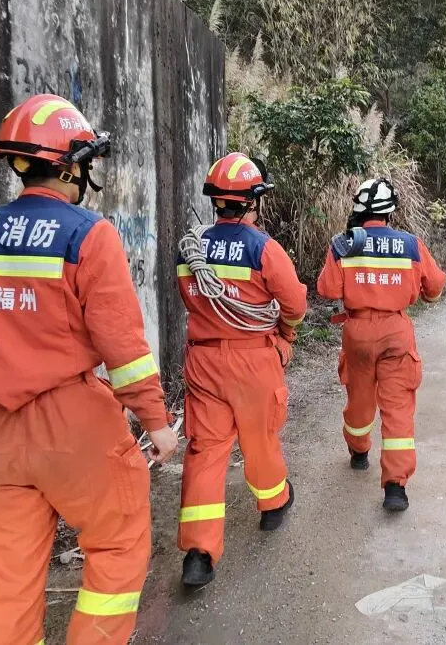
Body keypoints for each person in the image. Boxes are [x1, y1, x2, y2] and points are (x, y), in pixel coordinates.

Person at [0, 94, 178, 645]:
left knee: (6, 580)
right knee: (117, 544)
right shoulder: (87, 234)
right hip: (72, 424)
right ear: (71, 167)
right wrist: (156, 422)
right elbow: (123, 346)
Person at [176, 152, 307, 587]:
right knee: (259, 436)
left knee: (206, 451)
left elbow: (192, 297)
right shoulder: (263, 248)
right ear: (253, 201)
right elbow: (295, 304)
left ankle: (198, 554)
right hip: (253, 359)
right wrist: (284, 333)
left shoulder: (191, 248)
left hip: (203, 360)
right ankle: (273, 505)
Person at [316, 178, 446, 512]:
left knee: (359, 401)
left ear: (359, 211)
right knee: (398, 408)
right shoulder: (410, 244)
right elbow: (434, 286)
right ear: (390, 212)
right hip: (396, 333)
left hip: (357, 333)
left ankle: (359, 451)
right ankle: (395, 488)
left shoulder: (344, 244)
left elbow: (326, 289)